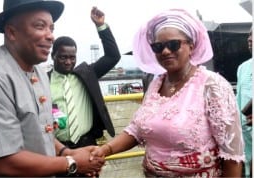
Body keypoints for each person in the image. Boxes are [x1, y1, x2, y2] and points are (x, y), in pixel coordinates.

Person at [0, 0, 104, 176]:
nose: (50, 36)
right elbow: (6, 162)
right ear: (11, 32)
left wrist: (67, 152)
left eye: (52, 28)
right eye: (40, 26)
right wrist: (72, 163)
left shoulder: (40, 73)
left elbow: (42, 131)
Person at [91, 8, 245, 177]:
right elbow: (136, 129)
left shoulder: (212, 86)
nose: (165, 51)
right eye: (158, 47)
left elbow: (232, 156)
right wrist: (105, 149)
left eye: (173, 44)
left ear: (191, 46)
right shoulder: (155, 83)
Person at [48, 7, 121, 149]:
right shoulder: (43, 81)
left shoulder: (86, 74)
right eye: (63, 57)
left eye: (72, 57)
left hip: (86, 144)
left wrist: (101, 26)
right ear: (53, 56)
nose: (68, 62)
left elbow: (113, 56)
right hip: (56, 147)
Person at [236, 29, 252, 177]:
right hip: (244, 128)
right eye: (249, 34)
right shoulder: (243, 67)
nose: (250, 39)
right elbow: (239, 98)